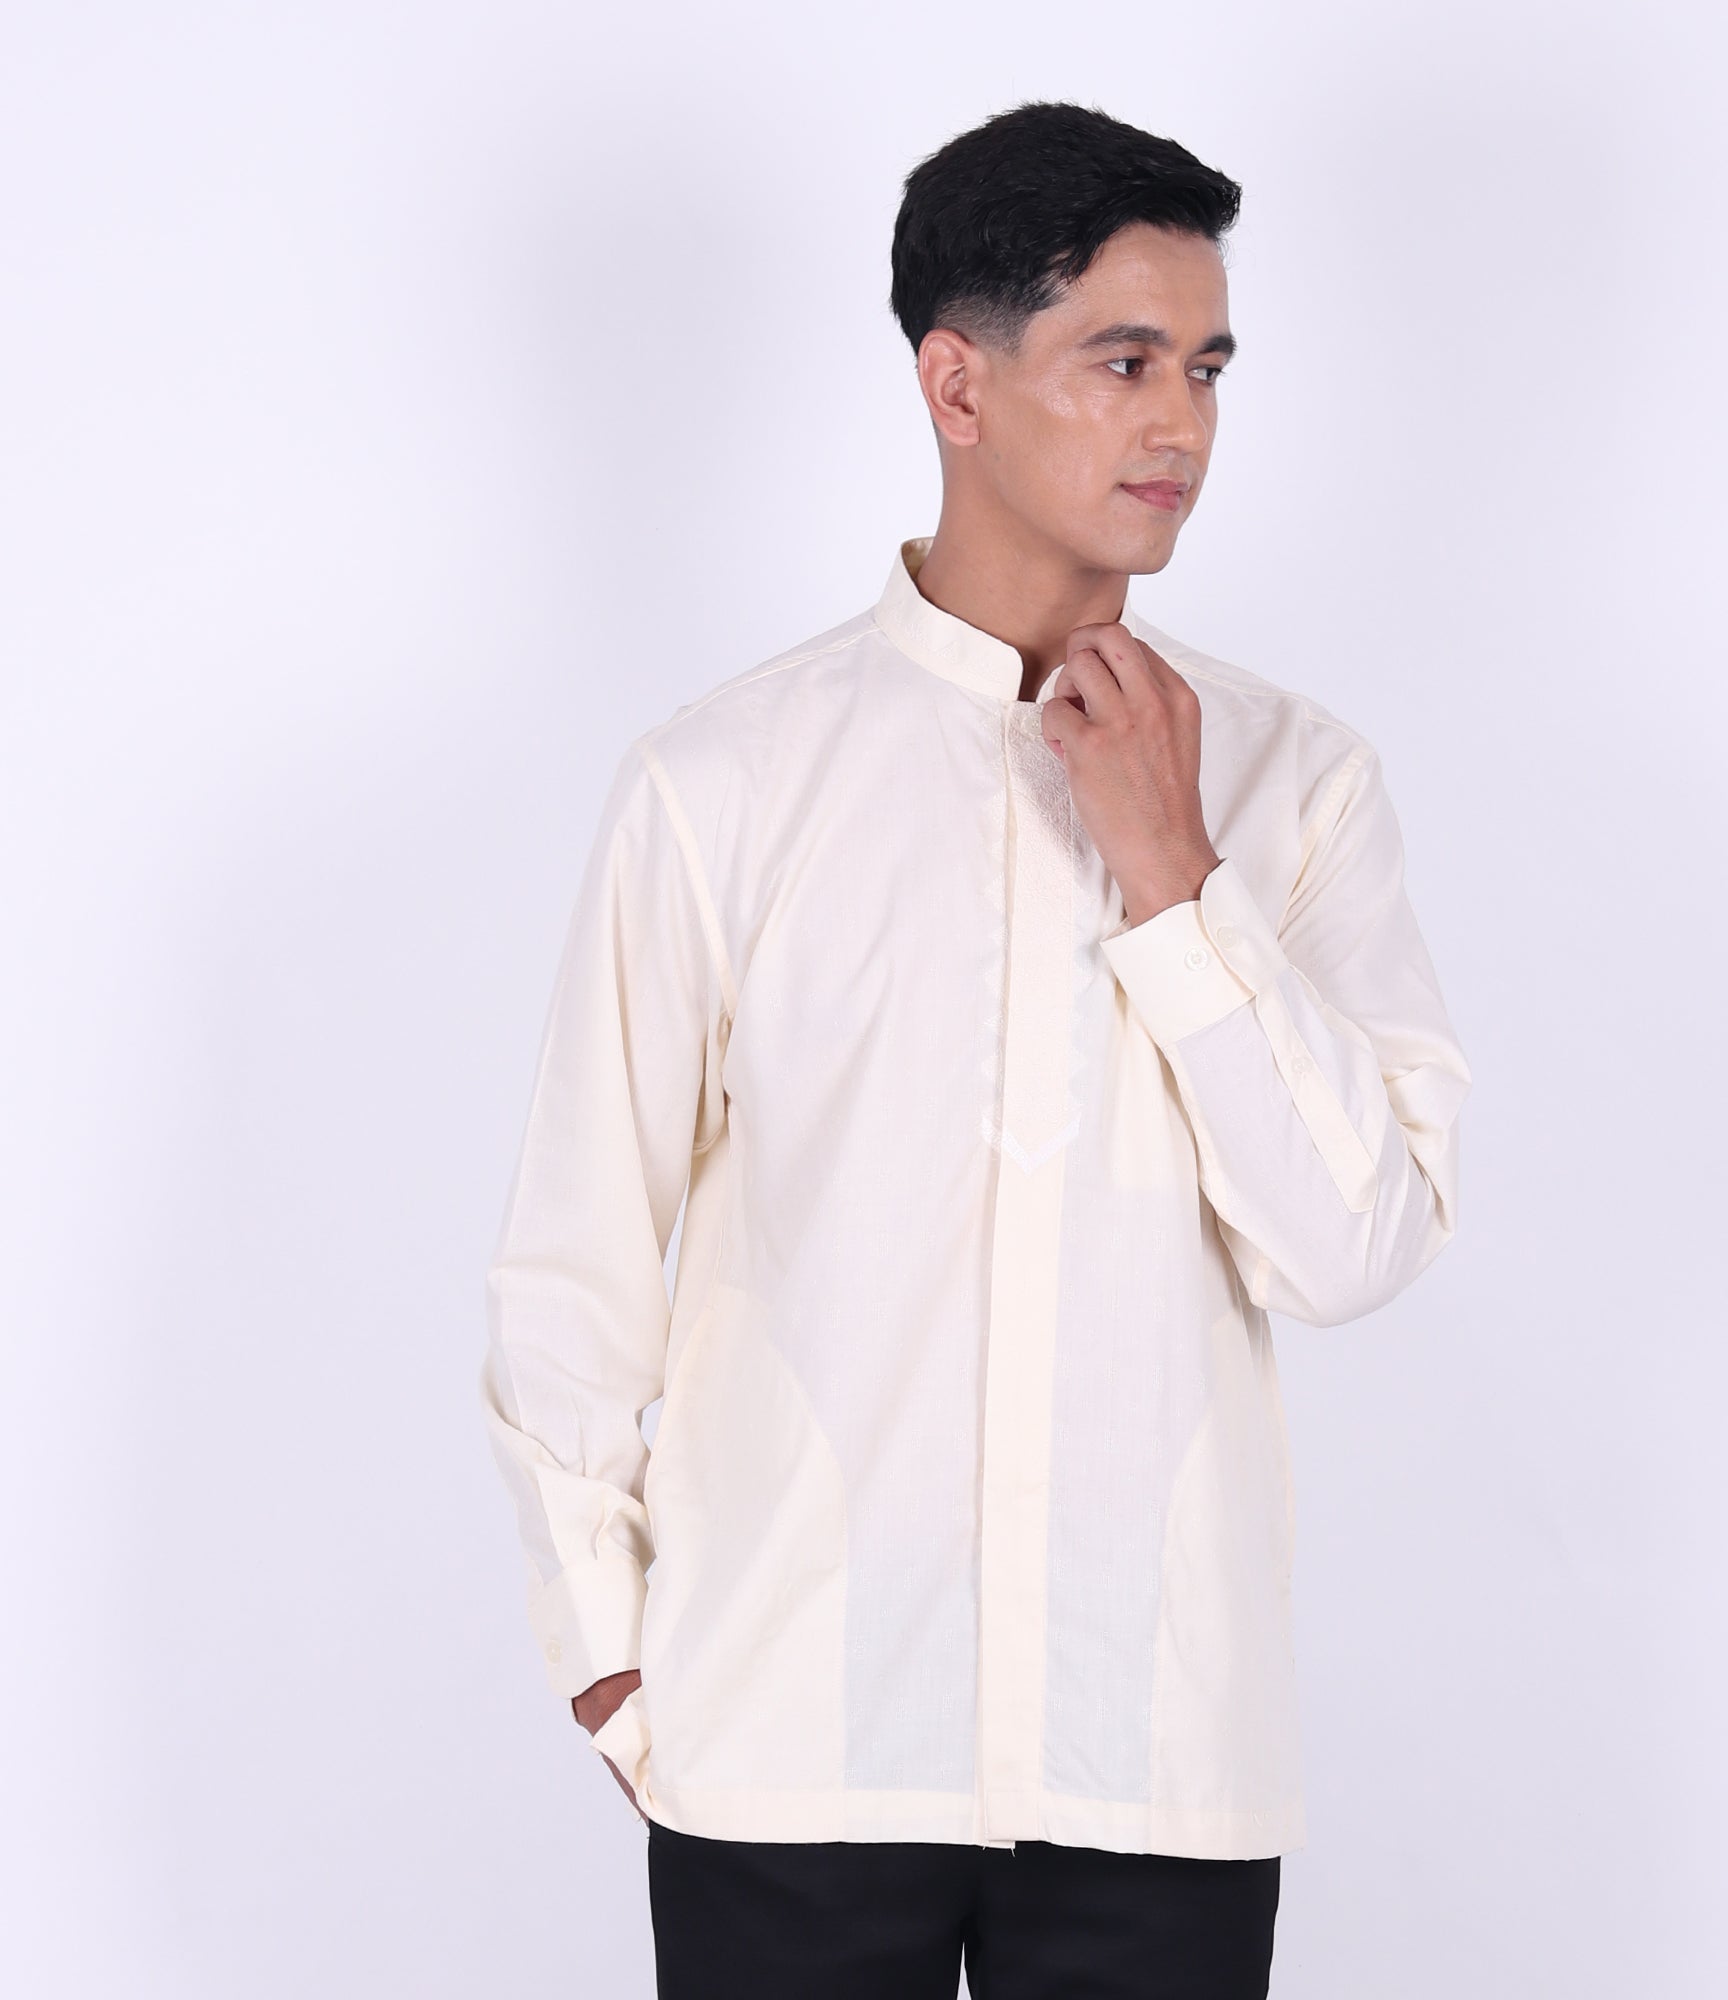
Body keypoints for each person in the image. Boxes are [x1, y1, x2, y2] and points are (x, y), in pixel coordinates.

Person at [478, 97, 1472, 2000]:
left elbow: (1356, 1246)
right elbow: (575, 1256)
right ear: (957, 383)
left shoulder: (1297, 785)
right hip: (791, 1749)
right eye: (1124, 361)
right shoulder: (722, 784)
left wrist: (1176, 878)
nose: (1182, 426)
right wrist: (609, 1654)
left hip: (1152, 1759)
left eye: (1208, 368)